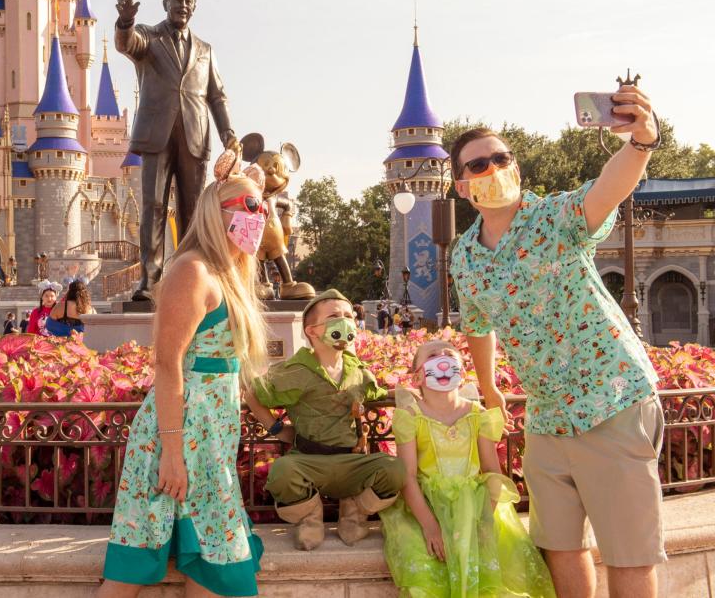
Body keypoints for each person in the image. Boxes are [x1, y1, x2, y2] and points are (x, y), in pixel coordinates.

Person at [449, 84, 664, 598]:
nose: (494, 168)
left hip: (610, 400)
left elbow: (607, 189)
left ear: (517, 169)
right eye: (479, 165)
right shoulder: (466, 258)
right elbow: (478, 325)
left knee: (628, 555)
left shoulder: (555, 218)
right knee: (561, 549)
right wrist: (490, 389)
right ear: (461, 187)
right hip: (547, 418)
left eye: (501, 158)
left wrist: (639, 143)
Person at [99, 159, 270, 597]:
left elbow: (235, 370)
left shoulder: (229, 274)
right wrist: (172, 454)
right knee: (135, 569)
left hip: (210, 441)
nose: (260, 215)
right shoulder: (193, 270)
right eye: (250, 206)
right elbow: (167, 362)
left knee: (212, 565)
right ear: (218, 211)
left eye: (263, 207)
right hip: (179, 436)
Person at [381, 340, 556, 597]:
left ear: (460, 372)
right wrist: (430, 526)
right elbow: (407, 475)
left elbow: (491, 470)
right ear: (417, 376)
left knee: (491, 571)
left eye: (449, 354)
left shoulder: (479, 415)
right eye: (432, 354)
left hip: (476, 507)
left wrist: (484, 522)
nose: (442, 357)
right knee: (425, 567)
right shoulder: (410, 416)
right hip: (428, 506)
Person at [245, 289, 406, 551]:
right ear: (312, 331)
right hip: (309, 462)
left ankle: (353, 512)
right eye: (334, 316)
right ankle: (310, 517)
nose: (345, 320)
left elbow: (376, 392)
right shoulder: (296, 370)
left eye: (349, 316)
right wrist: (276, 428)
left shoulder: (358, 371)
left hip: (352, 461)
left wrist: (409, 393)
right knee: (282, 473)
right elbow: (252, 392)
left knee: (394, 470)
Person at [115, 0, 238, 301]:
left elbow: (217, 97)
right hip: (157, 134)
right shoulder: (148, 36)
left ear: (194, 7)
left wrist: (229, 134)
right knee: (153, 206)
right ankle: (150, 280)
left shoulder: (205, 50)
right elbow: (127, 44)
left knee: (194, 210)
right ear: (165, 2)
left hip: (195, 136)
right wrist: (125, 22)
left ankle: (191, 274)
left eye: (189, 0)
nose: (183, 4)